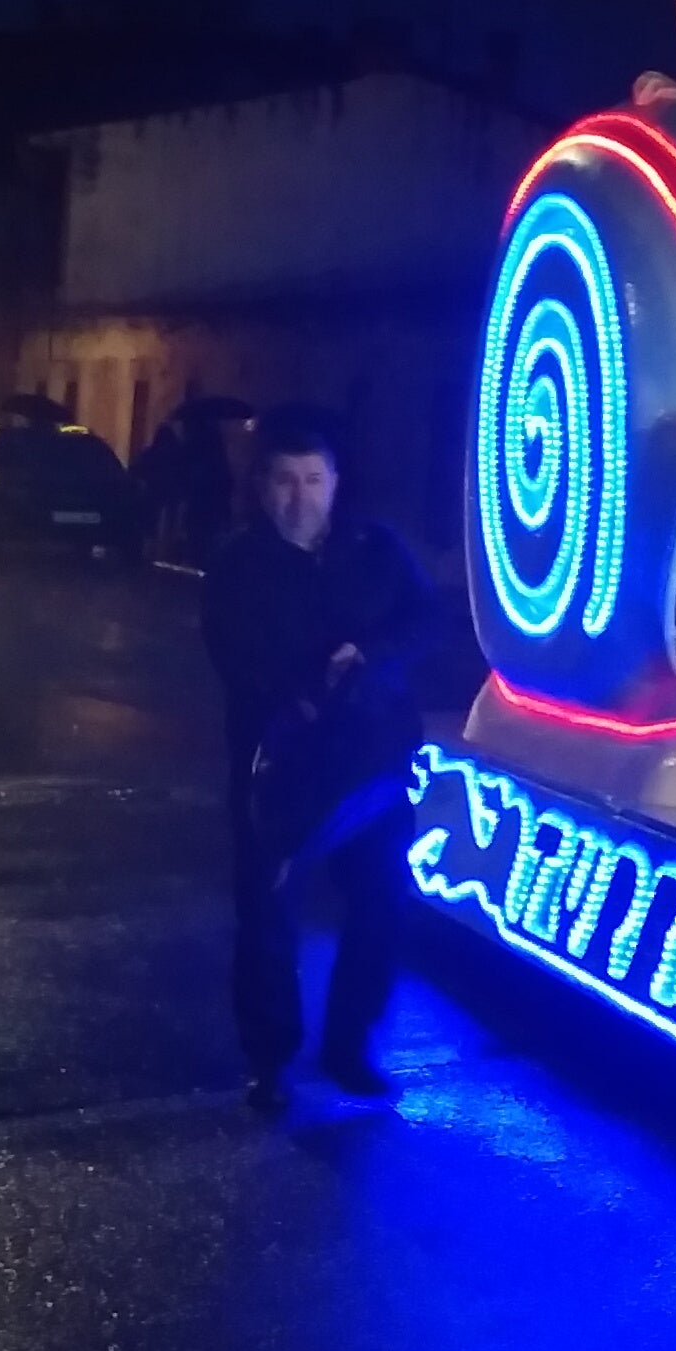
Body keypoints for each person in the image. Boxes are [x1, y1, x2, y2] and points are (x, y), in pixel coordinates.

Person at [201, 408, 437, 1112]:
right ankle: (269, 1061)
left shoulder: (376, 546)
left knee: (380, 908)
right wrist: (312, 687)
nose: (299, 498)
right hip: (281, 775)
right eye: (283, 481)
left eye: (313, 479)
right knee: (269, 918)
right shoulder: (238, 562)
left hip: (374, 765)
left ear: (335, 481)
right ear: (261, 485)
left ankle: (348, 1047)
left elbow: (424, 620)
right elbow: (238, 660)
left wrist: (371, 660)